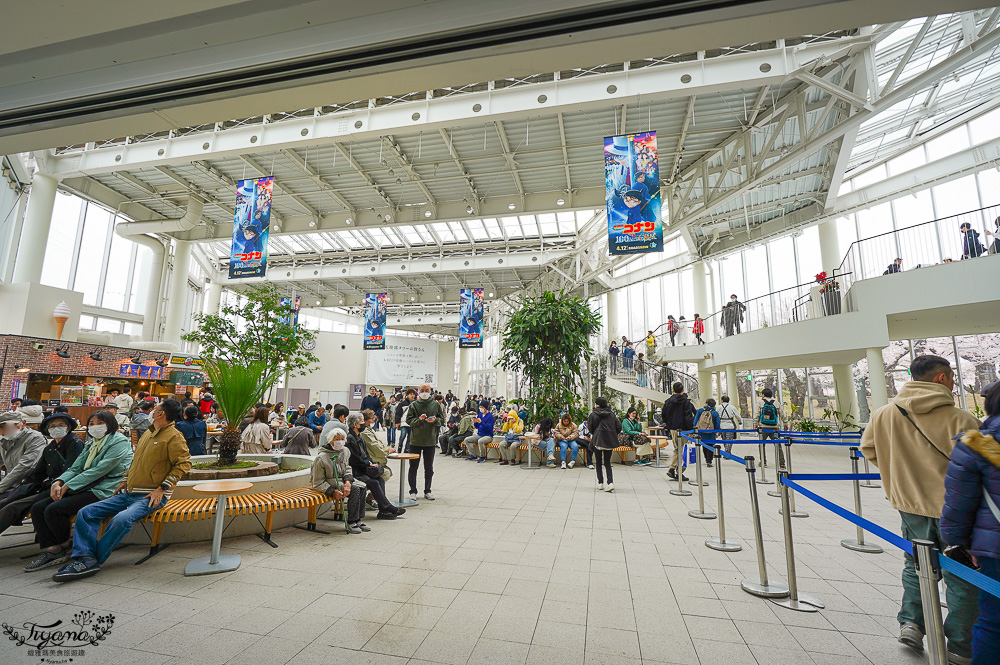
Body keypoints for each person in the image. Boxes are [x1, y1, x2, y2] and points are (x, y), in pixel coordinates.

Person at [860, 354, 981, 662]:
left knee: (916, 566)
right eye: (952, 377)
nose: (954, 383)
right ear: (941, 378)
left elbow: (868, 449)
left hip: (909, 505)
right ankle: (960, 644)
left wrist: (898, 475)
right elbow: (990, 462)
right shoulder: (961, 419)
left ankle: (912, 624)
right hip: (956, 512)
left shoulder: (884, 414)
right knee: (961, 576)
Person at [52, 399, 190, 581]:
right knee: (86, 512)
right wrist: (126, 479)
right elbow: (136, 461)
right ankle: (84, 556)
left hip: (150, 496)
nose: (151, 411)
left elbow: (184, 464)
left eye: (155, 409)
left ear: (160, 414)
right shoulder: (149, 434)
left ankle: (91, 561)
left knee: (121, 519)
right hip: (129, 493)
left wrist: (161, 489)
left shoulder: (173, 436)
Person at [24, 411, 132, 572]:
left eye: (100, 423)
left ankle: (64, 546)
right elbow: (76, 467)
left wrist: (68, 486)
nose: (95, 427)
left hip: (106, 489)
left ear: (110, 424)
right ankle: (53, 548)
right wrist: (59, 482)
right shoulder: (91, 443)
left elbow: (99, 470)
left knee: (55, 508)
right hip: (85, 485)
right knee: (38, 508)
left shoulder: (119, 442)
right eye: (91, 424)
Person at [941, 380, 1000, 665]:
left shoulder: (978, 442)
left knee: (993, 622)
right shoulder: (968, 428)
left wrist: (957, 542)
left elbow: (959, 502)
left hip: (994, 547)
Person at [0, 413, 83, 541]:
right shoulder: (50, 447)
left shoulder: (74, 443)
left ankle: (55, 546)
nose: (56, 428)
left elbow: (72, 471)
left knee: (13, 507)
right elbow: (38, 473)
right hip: (42, 485)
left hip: (62, 488)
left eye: (61, 425)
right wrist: (23, 488)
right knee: (6, 501)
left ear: (68, 428)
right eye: (52, 426)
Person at [344, 413, 403, 520]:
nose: (363, 424)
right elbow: (354, 459)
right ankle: (387, 507)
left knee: (380, 480)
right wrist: (368, 463)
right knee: (374, 482)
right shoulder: (350, 439)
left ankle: (383, 511)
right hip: (356, 471)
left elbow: (367, 454)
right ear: (355, 424)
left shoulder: (359, 437)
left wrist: (370, 462)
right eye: (361, 422)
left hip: (363, 468)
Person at [311, 428, 368, 534]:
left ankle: (358, 519)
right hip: (330, 482)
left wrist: (347, 482)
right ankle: (351, 521)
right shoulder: (321, 458)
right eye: (337, 439)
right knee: (355, 490)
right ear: (331, 441)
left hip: (342, 480)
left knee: (362, 487)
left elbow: (347, 468)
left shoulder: (345, 451)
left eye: (342, 439)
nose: (340, 441)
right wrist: (332, 491)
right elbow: (317, 482)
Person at [405, 384, 443, 501]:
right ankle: (413, 491)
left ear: (431, 391)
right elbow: (409, 421)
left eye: (427, 390)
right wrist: (419, 420)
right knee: (413, 467)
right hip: (415, 441)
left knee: (429, 468)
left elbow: (441, 419)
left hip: (430, 441)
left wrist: (435, 420)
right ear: (418, 392)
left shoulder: (436, 405)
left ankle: (428, 490)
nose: (425, 392)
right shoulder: (414, 405)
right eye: (422, 390)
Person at [0, 411, 47, 501]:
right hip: (10, 484)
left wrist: (1, 487)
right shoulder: (4, 440)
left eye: (10, 426)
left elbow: (23, 467)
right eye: (2, 427)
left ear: (23, 423)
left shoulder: (35, 438)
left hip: (28, 485)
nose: (5, 431)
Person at [662, 382, 696, 481]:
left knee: (677, 449)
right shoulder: (686, 403)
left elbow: (664, 415)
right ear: (682, 390)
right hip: (684, 429)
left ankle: (672, 468)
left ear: (673, 390)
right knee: (684, 450)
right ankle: (679, 471)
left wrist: (668, 425)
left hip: (673, 428)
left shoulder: (668, 401)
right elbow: (688, 417)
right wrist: (691, 430)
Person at [587, 398, 621, 492]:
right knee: (607, 463)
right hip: (609, 441)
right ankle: (610, 483)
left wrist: (596, 433)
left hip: (598, 440)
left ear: (597, 405)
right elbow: (619, 426)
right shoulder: (611, 414)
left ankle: (600, 483)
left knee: (598, 462)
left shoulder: (593, 414)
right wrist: (612, 433)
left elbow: (590, 427)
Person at [755, 388, 787, 469]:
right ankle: (782, 463)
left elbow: (757, 414)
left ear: (763, 395)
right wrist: (786, 423)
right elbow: (782, 414)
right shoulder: (776, 403)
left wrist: (755, 424)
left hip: (763, 427)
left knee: (761, 444)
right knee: (777, 444)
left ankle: (763, 461)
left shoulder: (760, 402)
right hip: (775, 427)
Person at [361, 409, 393, 481]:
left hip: (377, 460)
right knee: (385, 473)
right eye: (372, 418)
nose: (374, 420)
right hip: (372, 461)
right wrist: (387, 451)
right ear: (365, 421)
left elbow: (378, 443)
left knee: (386, 473)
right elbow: (375, 446)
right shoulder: (365, 432)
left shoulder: (370, 430)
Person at [694, 399, 721, 467]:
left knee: (704, 445)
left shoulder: (700, 411)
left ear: (706, 403)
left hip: (701, 431)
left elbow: (695, 420)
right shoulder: (715, 413)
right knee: (710, 445)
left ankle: (706, 459)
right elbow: (717, 423)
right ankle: (709, 461)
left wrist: (695, 428)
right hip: (711, 431)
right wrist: (717, 432)